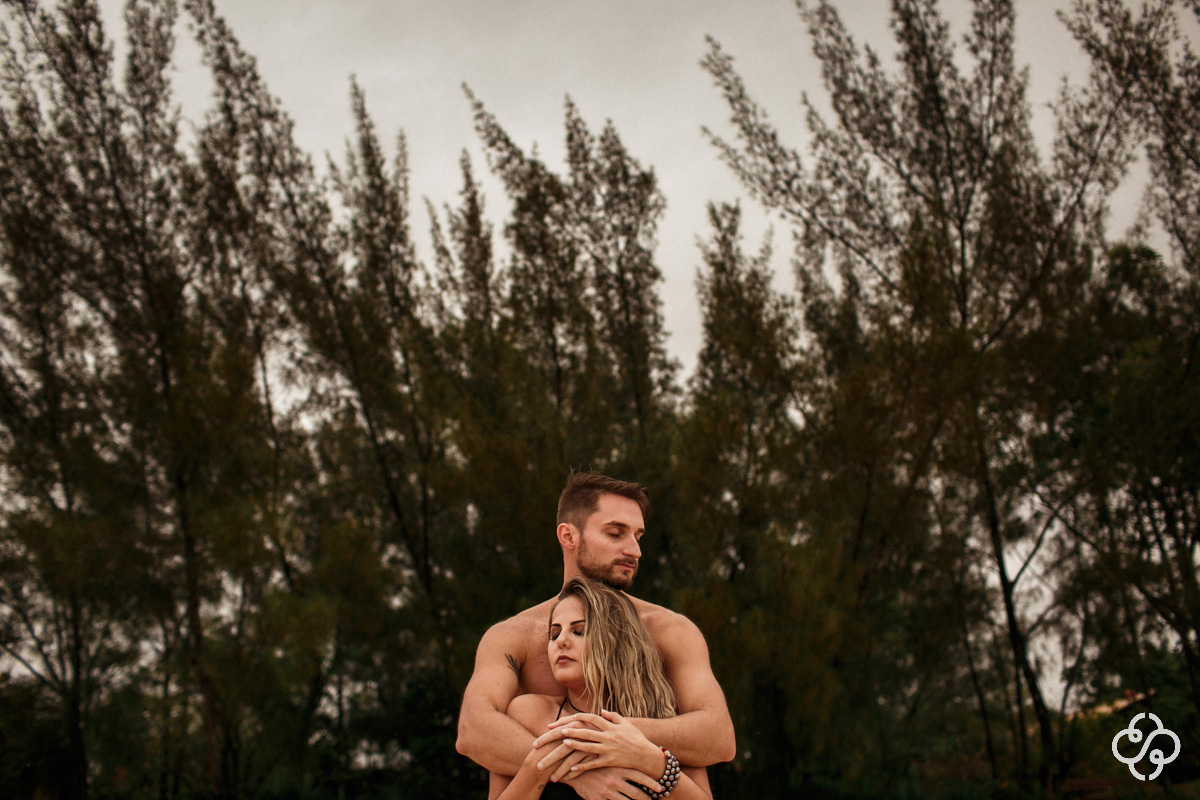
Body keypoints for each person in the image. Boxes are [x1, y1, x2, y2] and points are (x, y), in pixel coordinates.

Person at [457, 473, 735, 800]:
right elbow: (473, 731)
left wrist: (613, 738)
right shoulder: (514, 636)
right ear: (568, 536)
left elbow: (718, 737)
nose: (634, 550)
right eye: (616, 533)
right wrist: (582, 768)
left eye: (638, 536)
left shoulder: (669, 631)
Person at [491, 578, 712, 799]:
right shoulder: (527, 714)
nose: (561, 641)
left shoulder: (664, 716)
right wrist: (546, 762)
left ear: (615, 643)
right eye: (554, 634)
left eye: (579, 631)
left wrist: (655, 763)